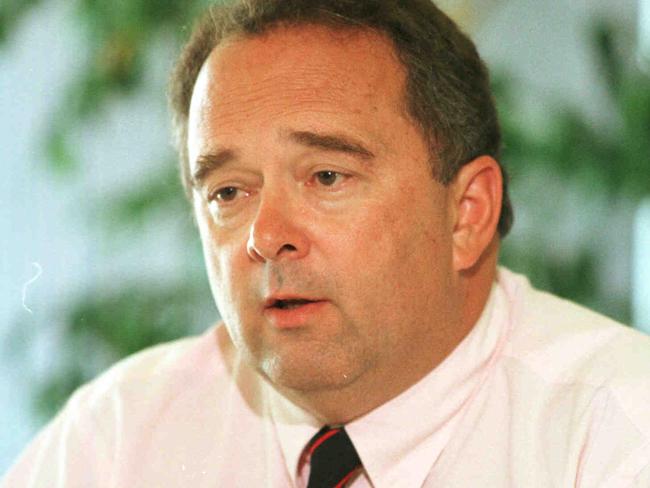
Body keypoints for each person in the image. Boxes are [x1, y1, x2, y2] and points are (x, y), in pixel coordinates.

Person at [3, 0, 650, 486]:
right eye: (228, 192)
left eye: (327, 176)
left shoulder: (618, 431)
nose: (265, 237)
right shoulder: (115, 441)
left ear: (467, 214)